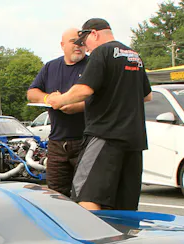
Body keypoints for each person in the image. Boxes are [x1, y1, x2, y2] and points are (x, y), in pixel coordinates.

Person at [48, 18, 152, 211]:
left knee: (87, 196)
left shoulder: (101, 52)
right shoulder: (134, 56)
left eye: (85, 41)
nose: (86, 48)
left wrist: (58, 100)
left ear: (94, 34)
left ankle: (90, 232)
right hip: (134, 141)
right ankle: (120, 232)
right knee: (124, 205)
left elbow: (84, 90)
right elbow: (147, 96)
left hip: (105, 136)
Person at [27, 28, 88, 197]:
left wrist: (77, 106)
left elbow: (102, 98)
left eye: (82, 42)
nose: (78, 45)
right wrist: (48, 98)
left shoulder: (92, 66)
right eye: (73, 41)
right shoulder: (51, 67)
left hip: (86, 141)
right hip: (56, 142)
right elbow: (32, 93)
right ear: (62, 45)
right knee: (55, 195)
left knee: (86, 194)